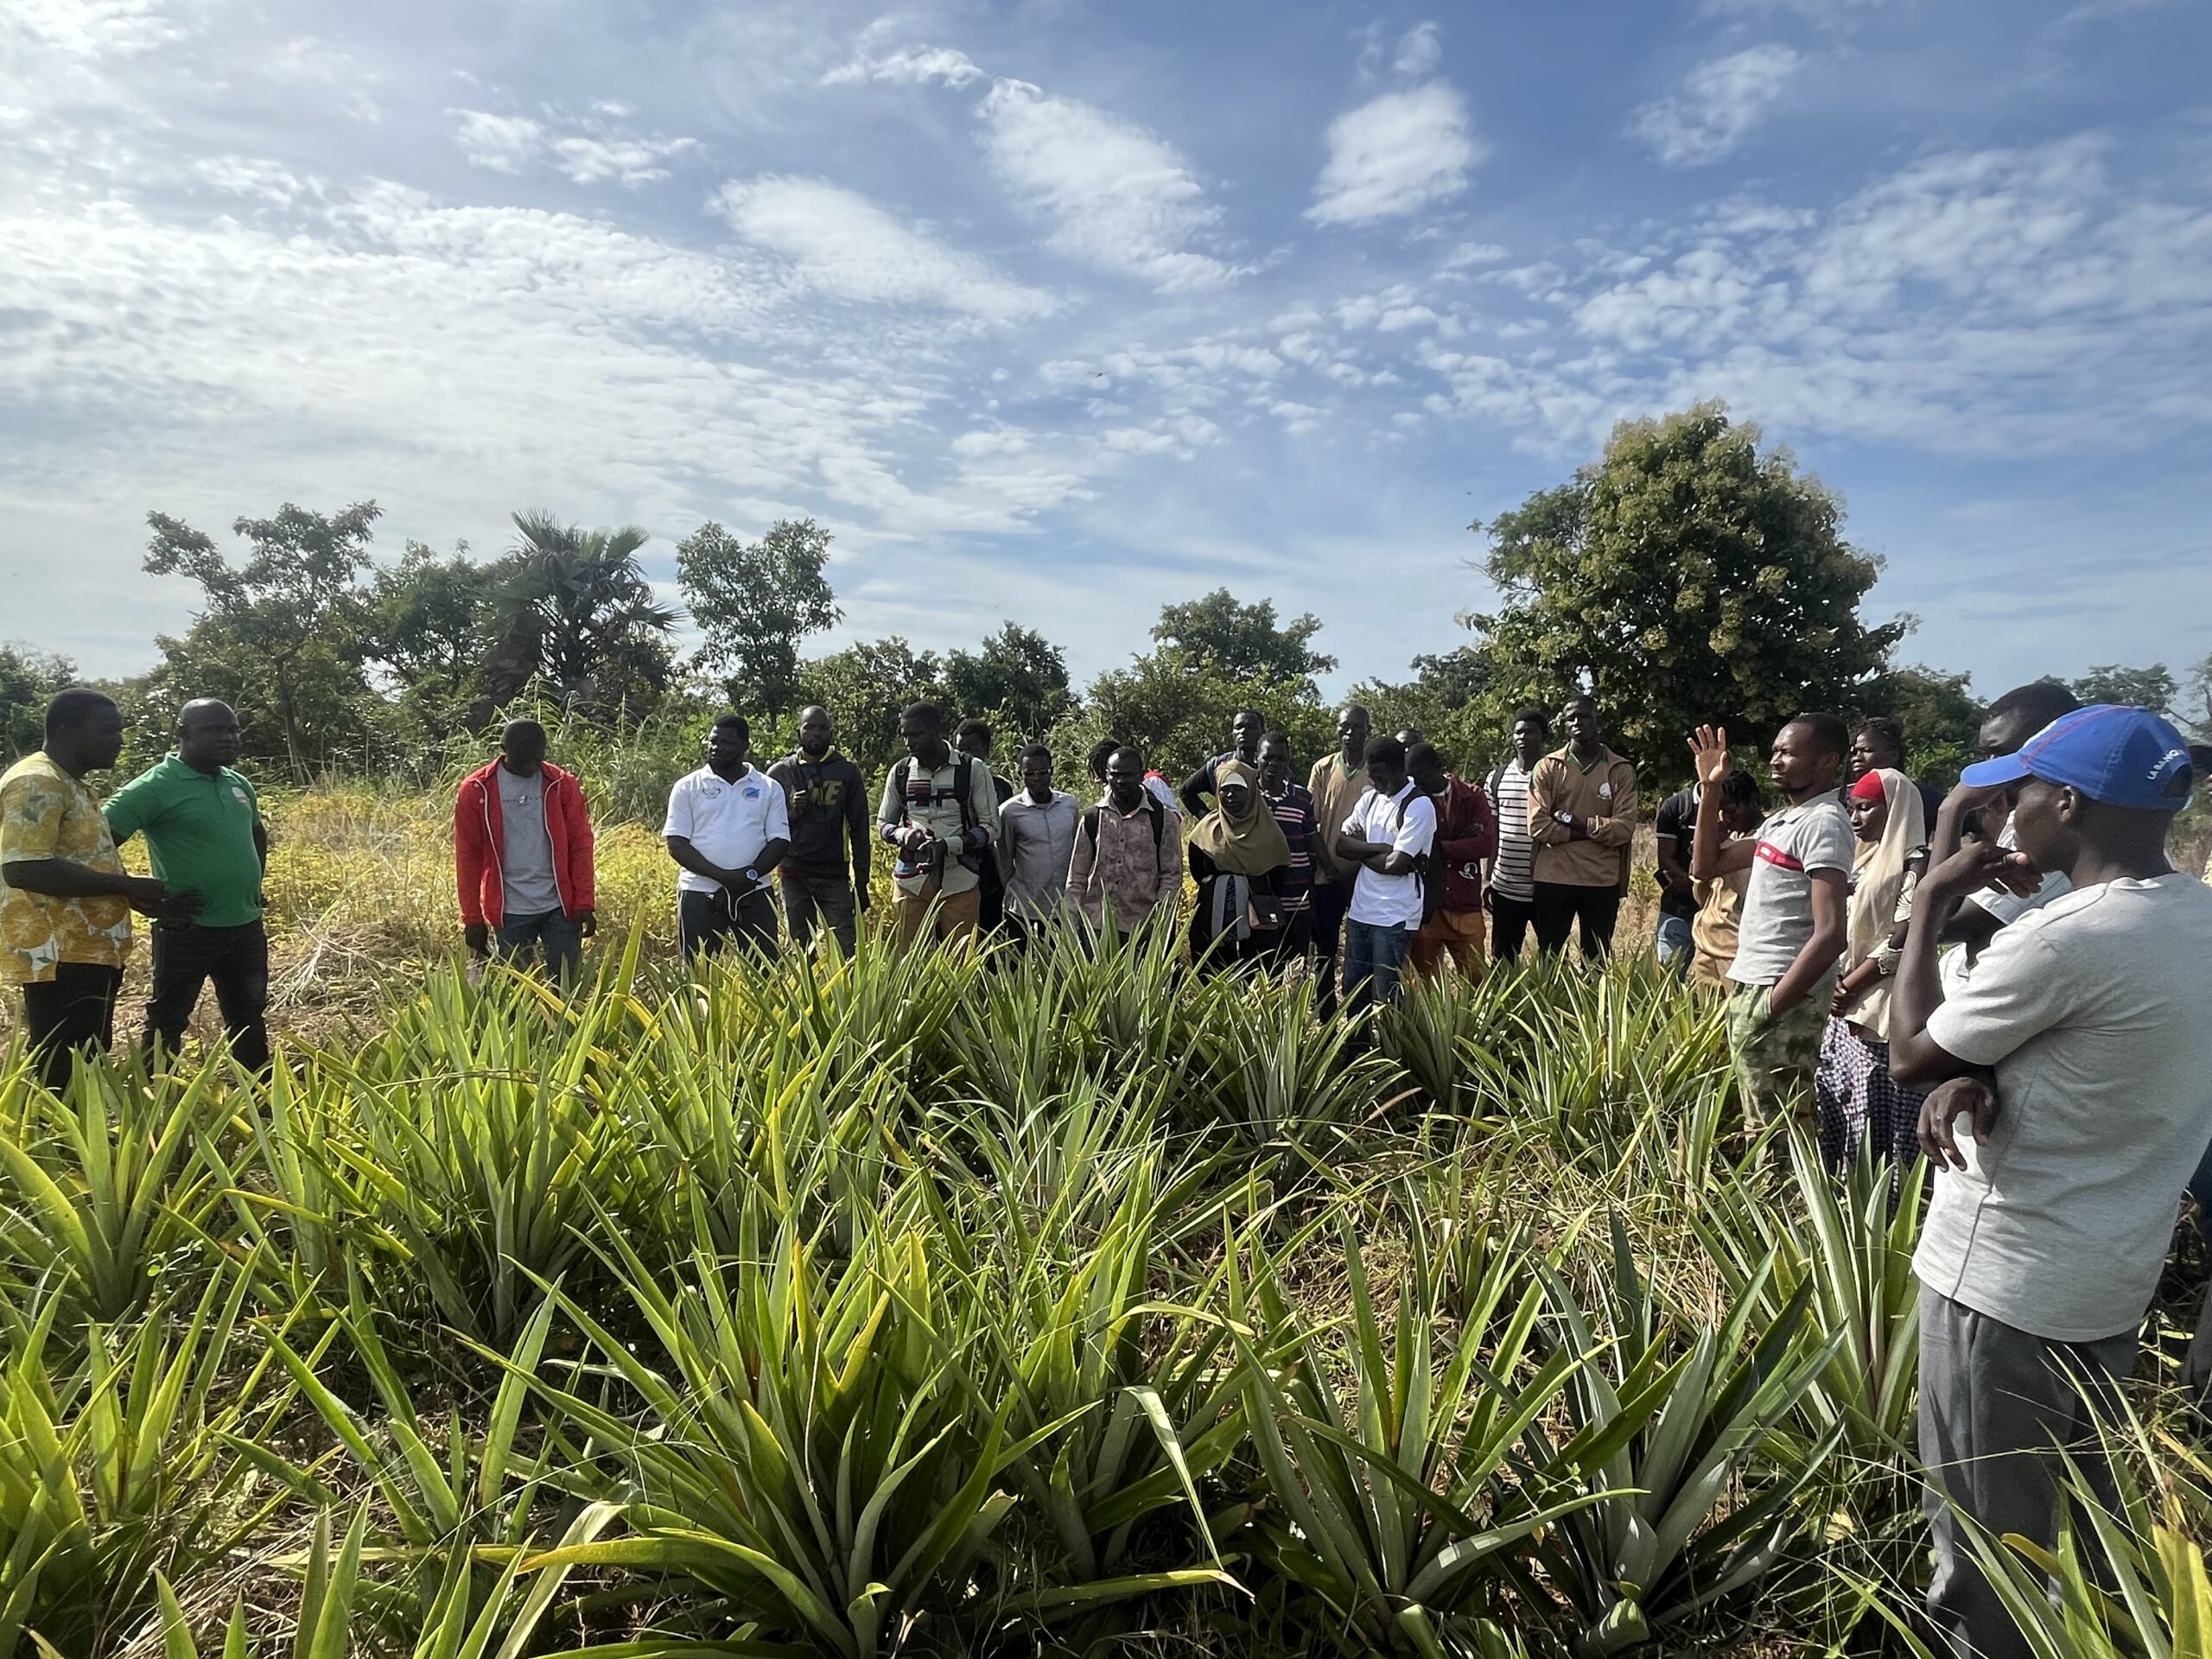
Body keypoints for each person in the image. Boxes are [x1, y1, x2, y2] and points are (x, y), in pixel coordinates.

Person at [1884, 706, 2210, 1659]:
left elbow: (1907, 1052)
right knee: (2075, 1519)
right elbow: (2093, 1051)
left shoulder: (2067, 937)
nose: (2008, 811)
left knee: (1985, 1545)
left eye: (2020, 792)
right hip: (2108, 1275)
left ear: (2064, 803)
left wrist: (1934, 907)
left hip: (2004, 1279)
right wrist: (1977, 1072)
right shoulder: (2194, 919)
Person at [2, 690, 184, 1091]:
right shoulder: (37, 781)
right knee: (62, 1070)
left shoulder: (73, 784)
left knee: (87, 1059)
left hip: (88, 950)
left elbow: (75, 861)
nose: (119, 740)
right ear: (66, 731)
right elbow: (23, 867)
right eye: (107, 731)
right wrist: (122, 884)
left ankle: (84, 1146)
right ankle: (59, 1151)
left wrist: (127, 895)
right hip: (59, 954)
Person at [1688, 715, 1853, 1140]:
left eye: (1787, 752)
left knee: (1778, 1128)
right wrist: (1710, 789)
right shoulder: (1784, 822)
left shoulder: (1824, 823)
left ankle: (1786, 1204)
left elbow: (1832, 932)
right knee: (1760, 1119)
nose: (1775, 760)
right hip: (1753, 983)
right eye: (1775, 751)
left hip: (1780, 994)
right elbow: (1706, 865)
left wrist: (1773, 1006)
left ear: (1827, 761)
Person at [104, 698, 275, 1068]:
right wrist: (134, 892)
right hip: (188, 927)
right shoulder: (154, 786)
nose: (229, 738)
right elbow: (95, 843)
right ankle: (156, 1106)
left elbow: (256, 835)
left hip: (245, 925)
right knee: (168, 1019)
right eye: (215, 730)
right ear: (183, 733)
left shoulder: (237, 783)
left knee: (249, 1015)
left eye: (232, 730)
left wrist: (253, 886)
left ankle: (261, 1097)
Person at [1814, 767, 1929, 1171]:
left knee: (1881, 1115)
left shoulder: (1915, 862)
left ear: (1894, 809)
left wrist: (1849, 984)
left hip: (1881, 1002)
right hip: (1844, 999)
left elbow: (1904, 934)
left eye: (1866, 808)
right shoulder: (1863, 857)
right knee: (1844, 1105)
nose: (1855, 818)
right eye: (1852, 809)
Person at [1935, 681, 2085, 958]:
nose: (1990, 767)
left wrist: (1951, 810)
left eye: (2001, 753)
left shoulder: (2058, 827)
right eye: (1986, 755)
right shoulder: (2023, 819)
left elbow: (1941, 924)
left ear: (2049, 745)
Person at [454, 718, 596, 982]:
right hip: (510, 909)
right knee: (515, 994)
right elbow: (467, 856)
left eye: (536, 760)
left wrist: (585, 902)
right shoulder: (476, 790)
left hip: (560, 906)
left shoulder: (562, 785)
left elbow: (581, 845)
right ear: (503, 749)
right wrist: (472, 917)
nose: (531, 767)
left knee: (568, 988)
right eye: (523, 761)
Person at [664, 714, 789, 960]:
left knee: (765, 972)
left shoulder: (768, 788)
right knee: (696, 974)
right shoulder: (687, 786)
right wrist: (724, 878)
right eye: (712, 741)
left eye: (725, 743)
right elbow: (676, 844)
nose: (716, 748)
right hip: (700, 893)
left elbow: (779, 841)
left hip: (754, 892)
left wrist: (749, 876)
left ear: (744, 746)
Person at [1527, 696, 1638, 959]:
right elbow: (1539, 826)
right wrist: (1594, 832)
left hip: (1601, 880)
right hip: (1553, 877)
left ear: (1598, 720)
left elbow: (1624, 829)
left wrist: (1577, 822)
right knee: (1550, 959)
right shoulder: (1547, 767)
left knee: (1596, 961)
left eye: (1584, 716)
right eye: (1570, 718)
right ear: (1565, 725)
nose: (1577, 722)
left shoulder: (1620, 769)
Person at [1334, 736, 1437, 1017]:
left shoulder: (1419, 805)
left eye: (1380, 776)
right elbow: (1341, 845)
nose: (1376, 783)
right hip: (1360, 911)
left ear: (1399, 769)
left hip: (1394, 915)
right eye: (1372, 776)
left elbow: (1395, 864)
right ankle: (1358, 1051)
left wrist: (1362, 852)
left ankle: (1392, 1053)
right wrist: (1378, 848)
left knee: (1388, 994)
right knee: (1353, 989)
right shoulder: (1370, 799)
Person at [878, 702, 995, 947]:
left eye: (916, 734)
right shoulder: (900, 772)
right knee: (908, 959)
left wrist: (947, 846)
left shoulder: (971, 769)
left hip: (960, 878)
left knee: (962, 961)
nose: (910, 743)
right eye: (905, 736)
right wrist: (903, 835)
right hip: (911, 879)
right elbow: (883, 824)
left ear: (936, 730)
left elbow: (991, 828)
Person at [767, 706, 870, 957]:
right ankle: (806, 997)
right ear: (798, 733)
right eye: (809, 727)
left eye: (823, 728)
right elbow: (762, 826)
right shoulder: (780, 773)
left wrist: (862, 882)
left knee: (846, 951)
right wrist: (791, 811)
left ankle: (846, 997)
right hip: (793, 873)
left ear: (831, 734)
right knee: (801, 951)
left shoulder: (847, 772)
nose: (816, 733)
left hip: (834, 874)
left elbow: (860, 830)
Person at [1185, 760, 1290, 974]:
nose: (1231, 795)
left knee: (1255, 981)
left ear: (1251, 791)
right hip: (1210, 918)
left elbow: (1278, 879)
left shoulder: (1270, 833)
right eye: (1225, 789)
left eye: (1238, 789)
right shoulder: (1205, 831)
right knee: (1211, 978)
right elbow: (1198, 873)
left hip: (1258, 921)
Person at [1067, 745, 1183, 936]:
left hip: (1143, 927)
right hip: (1096, 926)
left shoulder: (1162, 819)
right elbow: (1077, 876)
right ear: (1107, 775)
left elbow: (1171, 876)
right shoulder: (1092, 818)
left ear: (1141, 775)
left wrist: (1160, 923)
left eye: (1128, 775)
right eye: (1115, 774)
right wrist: (1071, 920)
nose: (1121, 781)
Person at [1305, 703, 1372, 1015]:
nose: (1349, 733)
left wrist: (1356, 869)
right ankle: (1325, 1015)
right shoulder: (1323, 769)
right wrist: (1331, 868)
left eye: (1356, 727)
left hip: (1368, 877)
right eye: (1344, 727)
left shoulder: (1378, 770)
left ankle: (1359, 1016)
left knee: (1361, 950)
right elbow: (1310, 824)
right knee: (1325, 949)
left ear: (1367, 730)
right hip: (1327, 875)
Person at [1406, 742, 1494, 980]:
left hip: (1464, 902)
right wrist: (1461, 841)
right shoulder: (1413, 799)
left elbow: (1485, 844)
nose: (1417, 782)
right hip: (1428, 907)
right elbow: (1411, 850)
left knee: (1477, 981)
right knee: (1421, 984)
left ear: (1438, 767)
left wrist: (1438, 847)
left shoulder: (1472, 796)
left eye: (1421, 776)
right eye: (1411, 778)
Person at [1688, 771, 1764, 991]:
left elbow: (1750, 893)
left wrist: (1723, 847)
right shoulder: (1727, 839)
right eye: (1719, 812)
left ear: (1752, 801)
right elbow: (1703, 895)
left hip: (1736, 952)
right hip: (1706, 944)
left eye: (1731, 811)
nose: (1724, 819)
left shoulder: (1764, 840)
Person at [995, 743, 1078, 944]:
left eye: (1042, 773)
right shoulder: (1009, 811)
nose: (1036, 779)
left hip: (1063, 905)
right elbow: (1004, 858)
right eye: (1030, 774)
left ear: (1052, 771)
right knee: (1020, 967)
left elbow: (1077, 848)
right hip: (1025, 906)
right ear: (1020, 774)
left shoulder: (1069, 805)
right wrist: (1012, 891)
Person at [1483, 709, 1548, 963]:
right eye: (1519, 732)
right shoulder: (1496, 778)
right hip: (1506, 886)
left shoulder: (1555, 775)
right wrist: (1487, 879)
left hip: (1546, 886)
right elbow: (1492, 833)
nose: (1524, 737)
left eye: (1531, 731)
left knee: (1552, 959)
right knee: (1502, 958)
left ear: (1543, 737)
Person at [1256, 733, 1318, 969]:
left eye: (1281, 759)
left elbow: (1311, 845)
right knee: (1263, 970)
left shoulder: (1302, 798)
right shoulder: (1246, 797)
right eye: (1268, 758)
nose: (1274, 764)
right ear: (1256, 759)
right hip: (1260, 901)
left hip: (1297, 900)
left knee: (1294, 970)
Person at [956, 718, 1018, 933]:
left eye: (973, 748)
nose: (966, 755)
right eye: (960, 749)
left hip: (990, 876)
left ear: (987, 750)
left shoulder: (1000, 787)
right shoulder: (948, 785)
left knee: (990, 932)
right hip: (955, 872)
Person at [1849, 716, 1944, 827]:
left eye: (1867, 750)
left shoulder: (1923, 797)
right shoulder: (1846, 798)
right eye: (1854, 752)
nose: (1857, 758)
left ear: (1893, 755)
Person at [1652, 777, 1702, 978]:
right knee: (1668, 981)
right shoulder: (1677, 806)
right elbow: (1665, 859)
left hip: (1722, 914)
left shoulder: (1734, 803)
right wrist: (1693, 886)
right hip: (1678, 907)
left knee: (1714, 987)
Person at [1179, 709, 1266, 817]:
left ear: (1262, 732)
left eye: (1250, 727)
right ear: (1232, 734)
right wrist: (1207, 819)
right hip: (1229, 831)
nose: (1243, 731)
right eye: (1238, 727)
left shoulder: (1270, 766)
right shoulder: (1218, 765)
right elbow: (1186, 791)